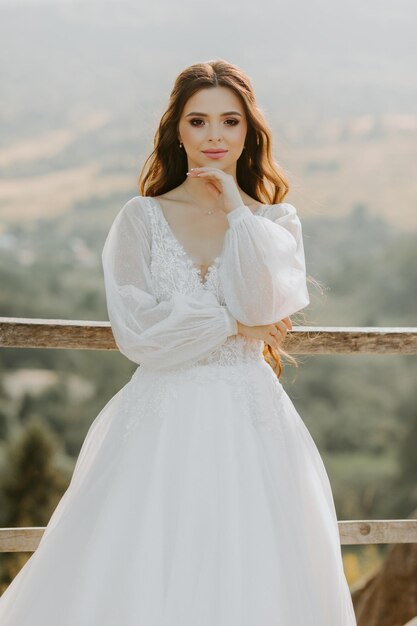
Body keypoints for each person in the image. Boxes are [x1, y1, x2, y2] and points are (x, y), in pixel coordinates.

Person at [0, 59, 357, 625]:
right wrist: (234, 325)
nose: (214, 136)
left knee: (256, 573)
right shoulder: (140, 218)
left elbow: (268, 306)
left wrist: (238, 208)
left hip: (254, 424)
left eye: (229, 122)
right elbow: (141, 335)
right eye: (198, 121)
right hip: (160, 424)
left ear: (249, 131)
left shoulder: (275, 223)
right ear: (177, 131)